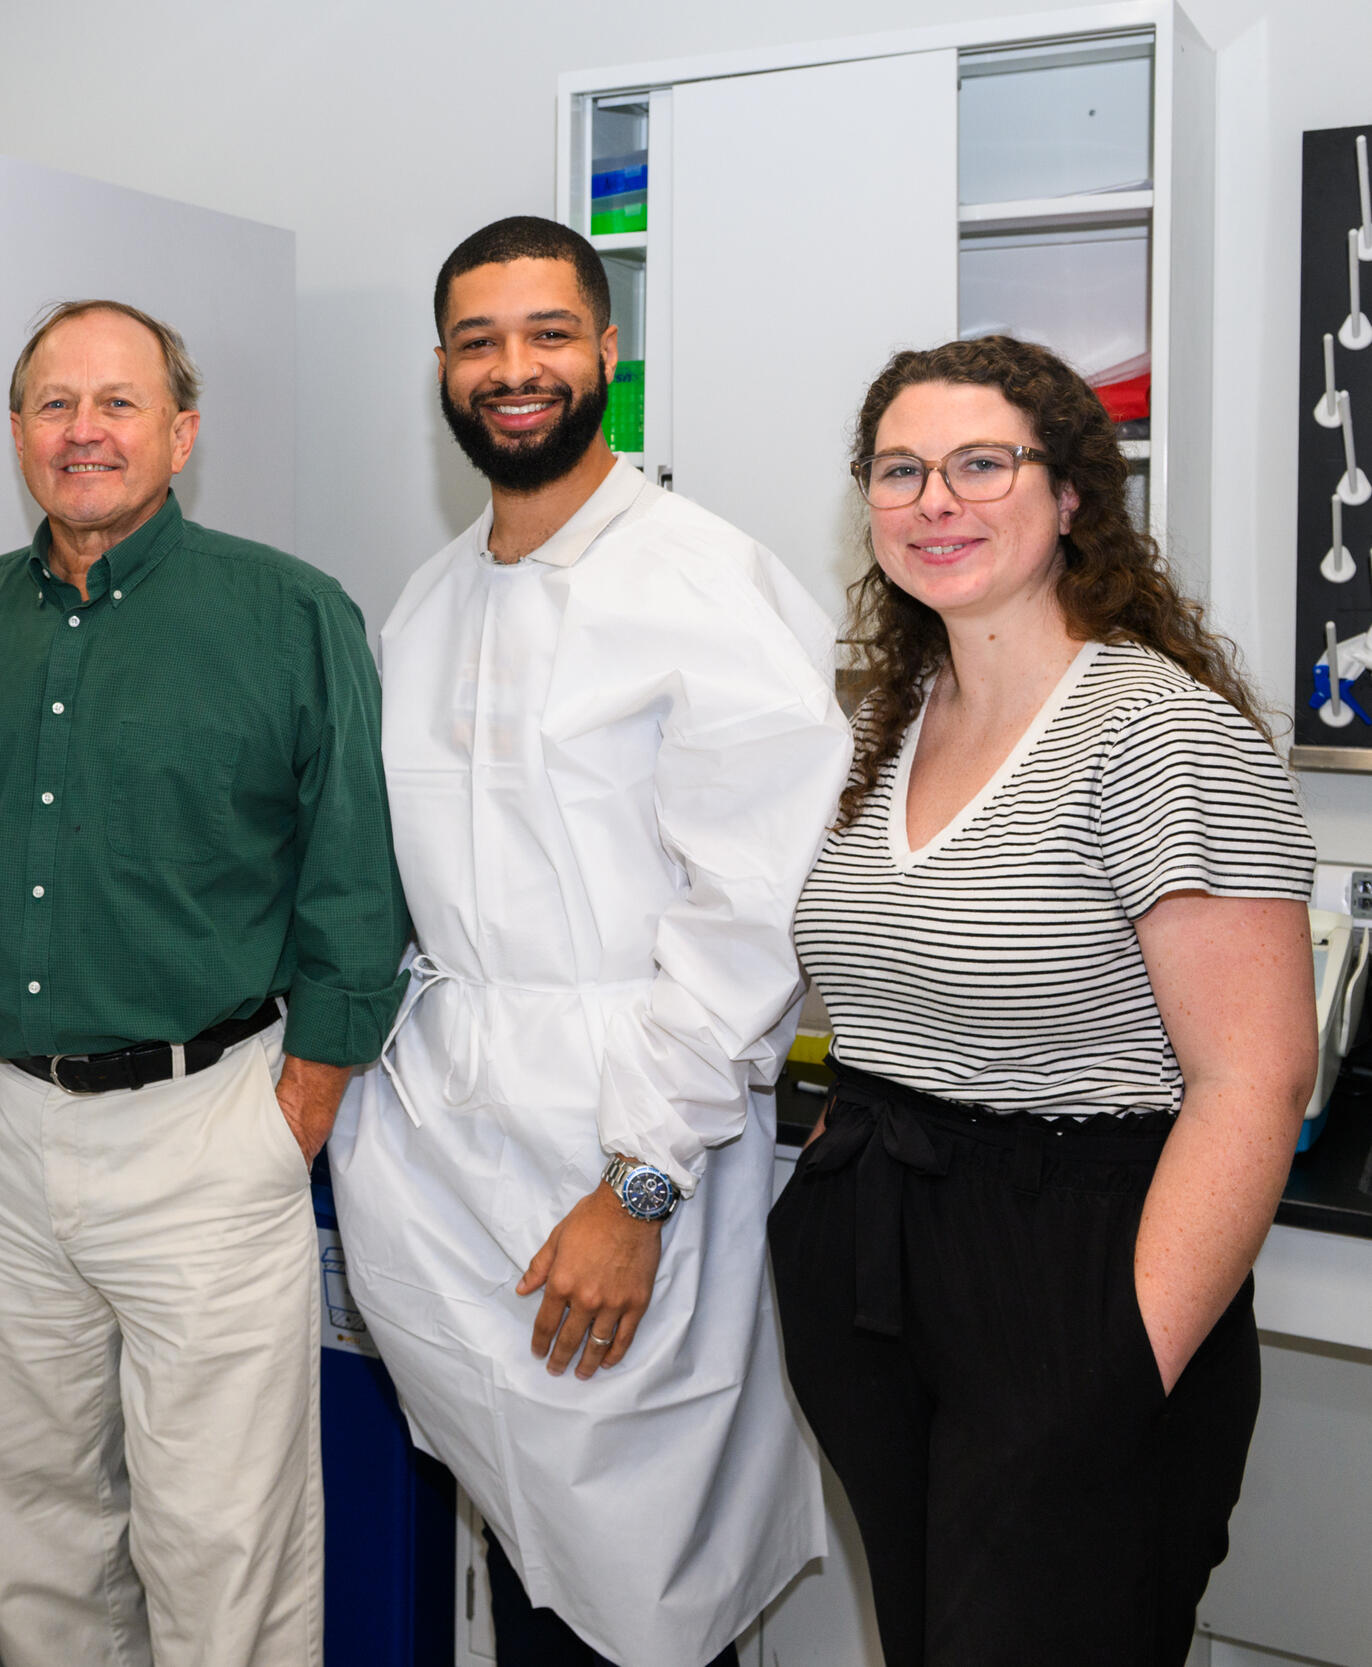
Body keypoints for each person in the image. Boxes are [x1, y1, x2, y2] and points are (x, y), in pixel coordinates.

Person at [326, 216, 850, 1667]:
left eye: (549, 333)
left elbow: (753, 917)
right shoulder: (430, 599)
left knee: (639, 1598)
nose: (515, 368)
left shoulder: (705, 581)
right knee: (524, 1571)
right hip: (446, 1163)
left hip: (628, 1145)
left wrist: (640, 1183)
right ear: (442, 367)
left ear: (607, 351)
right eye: (479, 340)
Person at [771, 335, 1318, 1665]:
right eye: (899, 470)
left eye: (980, 464)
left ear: (1070, 492)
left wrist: (1116, 1369)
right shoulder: (897, 717)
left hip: (1076, 1260)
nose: (934, 500)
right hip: (876, 1247)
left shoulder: (1157, 730)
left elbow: (1255, 1079)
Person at [0, 299, 409, 1667]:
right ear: (18, 431)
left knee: (221, 1538)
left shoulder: (290, 614)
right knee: (30, 1524)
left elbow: (354, 880)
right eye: (55, 404)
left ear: (181, 433)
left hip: (205, 1122)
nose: (84, 431)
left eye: (118, 403)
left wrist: (300, 1104)